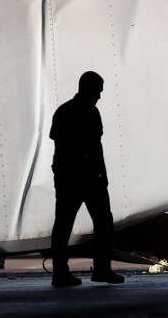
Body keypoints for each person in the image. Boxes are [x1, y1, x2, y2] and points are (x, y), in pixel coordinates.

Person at [49, 71, 124, 288]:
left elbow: (60, 145)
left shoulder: (64, 111)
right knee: (103, 223)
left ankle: (60, 273)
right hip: (89, 178)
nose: (100, 95)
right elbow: (93, 148)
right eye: (99, 90)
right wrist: (101, 175)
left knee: (63, 225)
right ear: (89, 89)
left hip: (69, 178)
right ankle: (101, 269)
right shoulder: (91, 112)